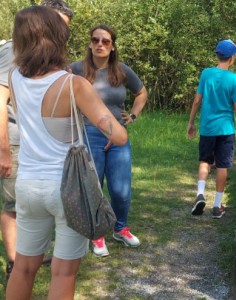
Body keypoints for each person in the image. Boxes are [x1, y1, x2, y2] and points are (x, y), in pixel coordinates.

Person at [6, 6, 127, 299]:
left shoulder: (14, 78)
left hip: (28, 186)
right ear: (58, 37)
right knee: (63, 271)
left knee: (23, 267)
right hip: (67, 188)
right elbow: (119, 136)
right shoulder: (73, 84)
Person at [0, 0, 73, 283]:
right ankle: (15, 262)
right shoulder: (13, 51)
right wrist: (4, 151)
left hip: (36, 144)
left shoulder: (42, 54)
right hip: (16, 142)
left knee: (28, 205)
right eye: (58, 26)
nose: (61, 34)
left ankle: (27, 255)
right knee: (12, 205)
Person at [70, 24, 147, 257]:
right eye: (95, 40)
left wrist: (132, 116)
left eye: (105, 41)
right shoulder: (75, 69)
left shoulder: (122, 70)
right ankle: (97, 233)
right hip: (89, 134)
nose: (100, 45)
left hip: (118, 136)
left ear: (113, 46)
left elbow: (141, 93)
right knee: (94, 187)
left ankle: (120, 228)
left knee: (120, 189)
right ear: (90, 43)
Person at [187, 39, 236, 219]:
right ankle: (217, 206)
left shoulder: (206, 73)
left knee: (205, 161)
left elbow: (197, 100)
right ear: (232, 58)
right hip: (226, 129)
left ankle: (200, 194)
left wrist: (191, 122)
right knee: (222, 165)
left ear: (217, 55)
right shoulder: (234, 79)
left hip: (207, 128)